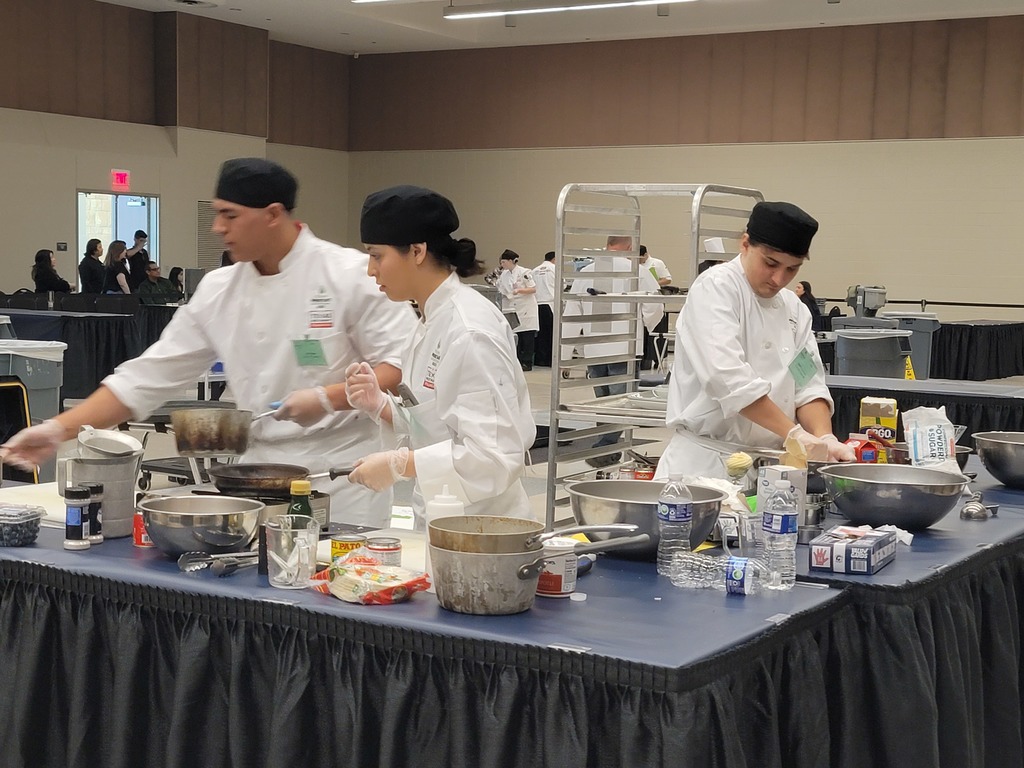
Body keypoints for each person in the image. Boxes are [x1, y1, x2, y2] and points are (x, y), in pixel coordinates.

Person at [0, 157, 419, 528]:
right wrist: (58, 429)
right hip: (256, 474)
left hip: (341, 478)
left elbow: (400, 367)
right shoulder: (221, 289)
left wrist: (325, 397)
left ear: (273, 214)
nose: (218, 228)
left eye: (229, 215)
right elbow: (146, 378)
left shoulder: (348, 275)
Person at [345, 185, 536, 524]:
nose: (371, 270)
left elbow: (494, 458)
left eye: (376, 256)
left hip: (485, 529)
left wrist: (399, 465)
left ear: (417, 251)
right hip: (441, 519)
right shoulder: (427, 321)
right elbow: (440, 425)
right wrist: (383, 406)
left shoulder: (469, 331)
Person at [656, 201, 855, 483]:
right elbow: (728, 379)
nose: (779, 279)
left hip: (771, 468)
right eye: (770, 263)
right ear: (745, 244)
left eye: (792, 269)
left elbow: (807, 383)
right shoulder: (716, 288)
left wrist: (824, 437)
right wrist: (794, 434)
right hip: (706, 467)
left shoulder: (794, 309)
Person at [563, 235, 635, 468]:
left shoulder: (585, 272)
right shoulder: (636, 270)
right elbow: (654, 305)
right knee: (621, 398)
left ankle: (606, 443)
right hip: (624, 344)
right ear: (630, 246)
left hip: (594, 346)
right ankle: (607, 445)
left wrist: (566, 352)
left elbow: (572, 311)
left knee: (603, 399)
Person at [497, 249, 539, 371]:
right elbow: (500, 287)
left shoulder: (524, 272)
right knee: (516, 336)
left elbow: (533, 289)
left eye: (504, 262)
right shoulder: (504, 274)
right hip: (512, 307)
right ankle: (517, 360)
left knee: (527, 336)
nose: (502, 265)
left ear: (511, 261)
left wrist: (519, 290)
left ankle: (527, 362)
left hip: (526, 308)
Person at [638, 244, 671, 370]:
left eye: (641, 258)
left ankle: (656, 358)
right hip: (641, 299)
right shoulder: (635, 265)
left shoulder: (656, 263)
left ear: (646, 255)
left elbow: (667, 279)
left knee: (655, 329)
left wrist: (651, 283)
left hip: (654, 298)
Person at [532, 251, 556, 367]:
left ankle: (540, 359)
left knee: (541, 334)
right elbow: (563, 284)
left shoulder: (535, 270)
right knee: (552, 334)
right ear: (555, 259)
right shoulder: (555, 269)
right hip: (550, 304)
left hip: (537, 304)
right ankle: (550, 360)